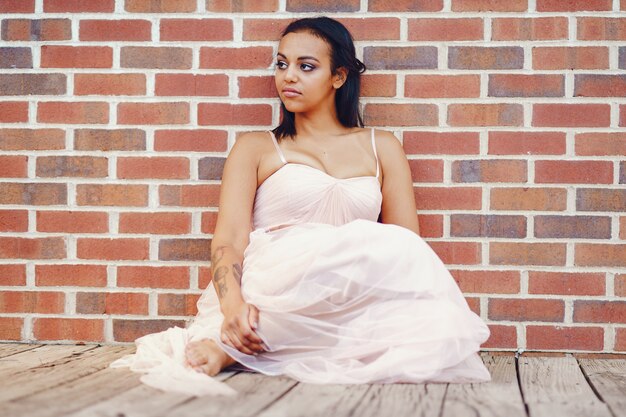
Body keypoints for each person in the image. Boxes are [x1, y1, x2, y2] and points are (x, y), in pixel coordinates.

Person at [111, 16, 491, 396]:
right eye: (281, 64)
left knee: (414, 280)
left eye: (305, 66)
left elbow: (406, 246)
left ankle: (243, 350)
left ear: (338, 76)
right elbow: (228, 239)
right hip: (276, 284)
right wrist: (231, 307)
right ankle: (235, 340)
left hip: (348, 291)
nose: (288, 76)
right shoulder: (256, 148)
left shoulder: (383, 146)